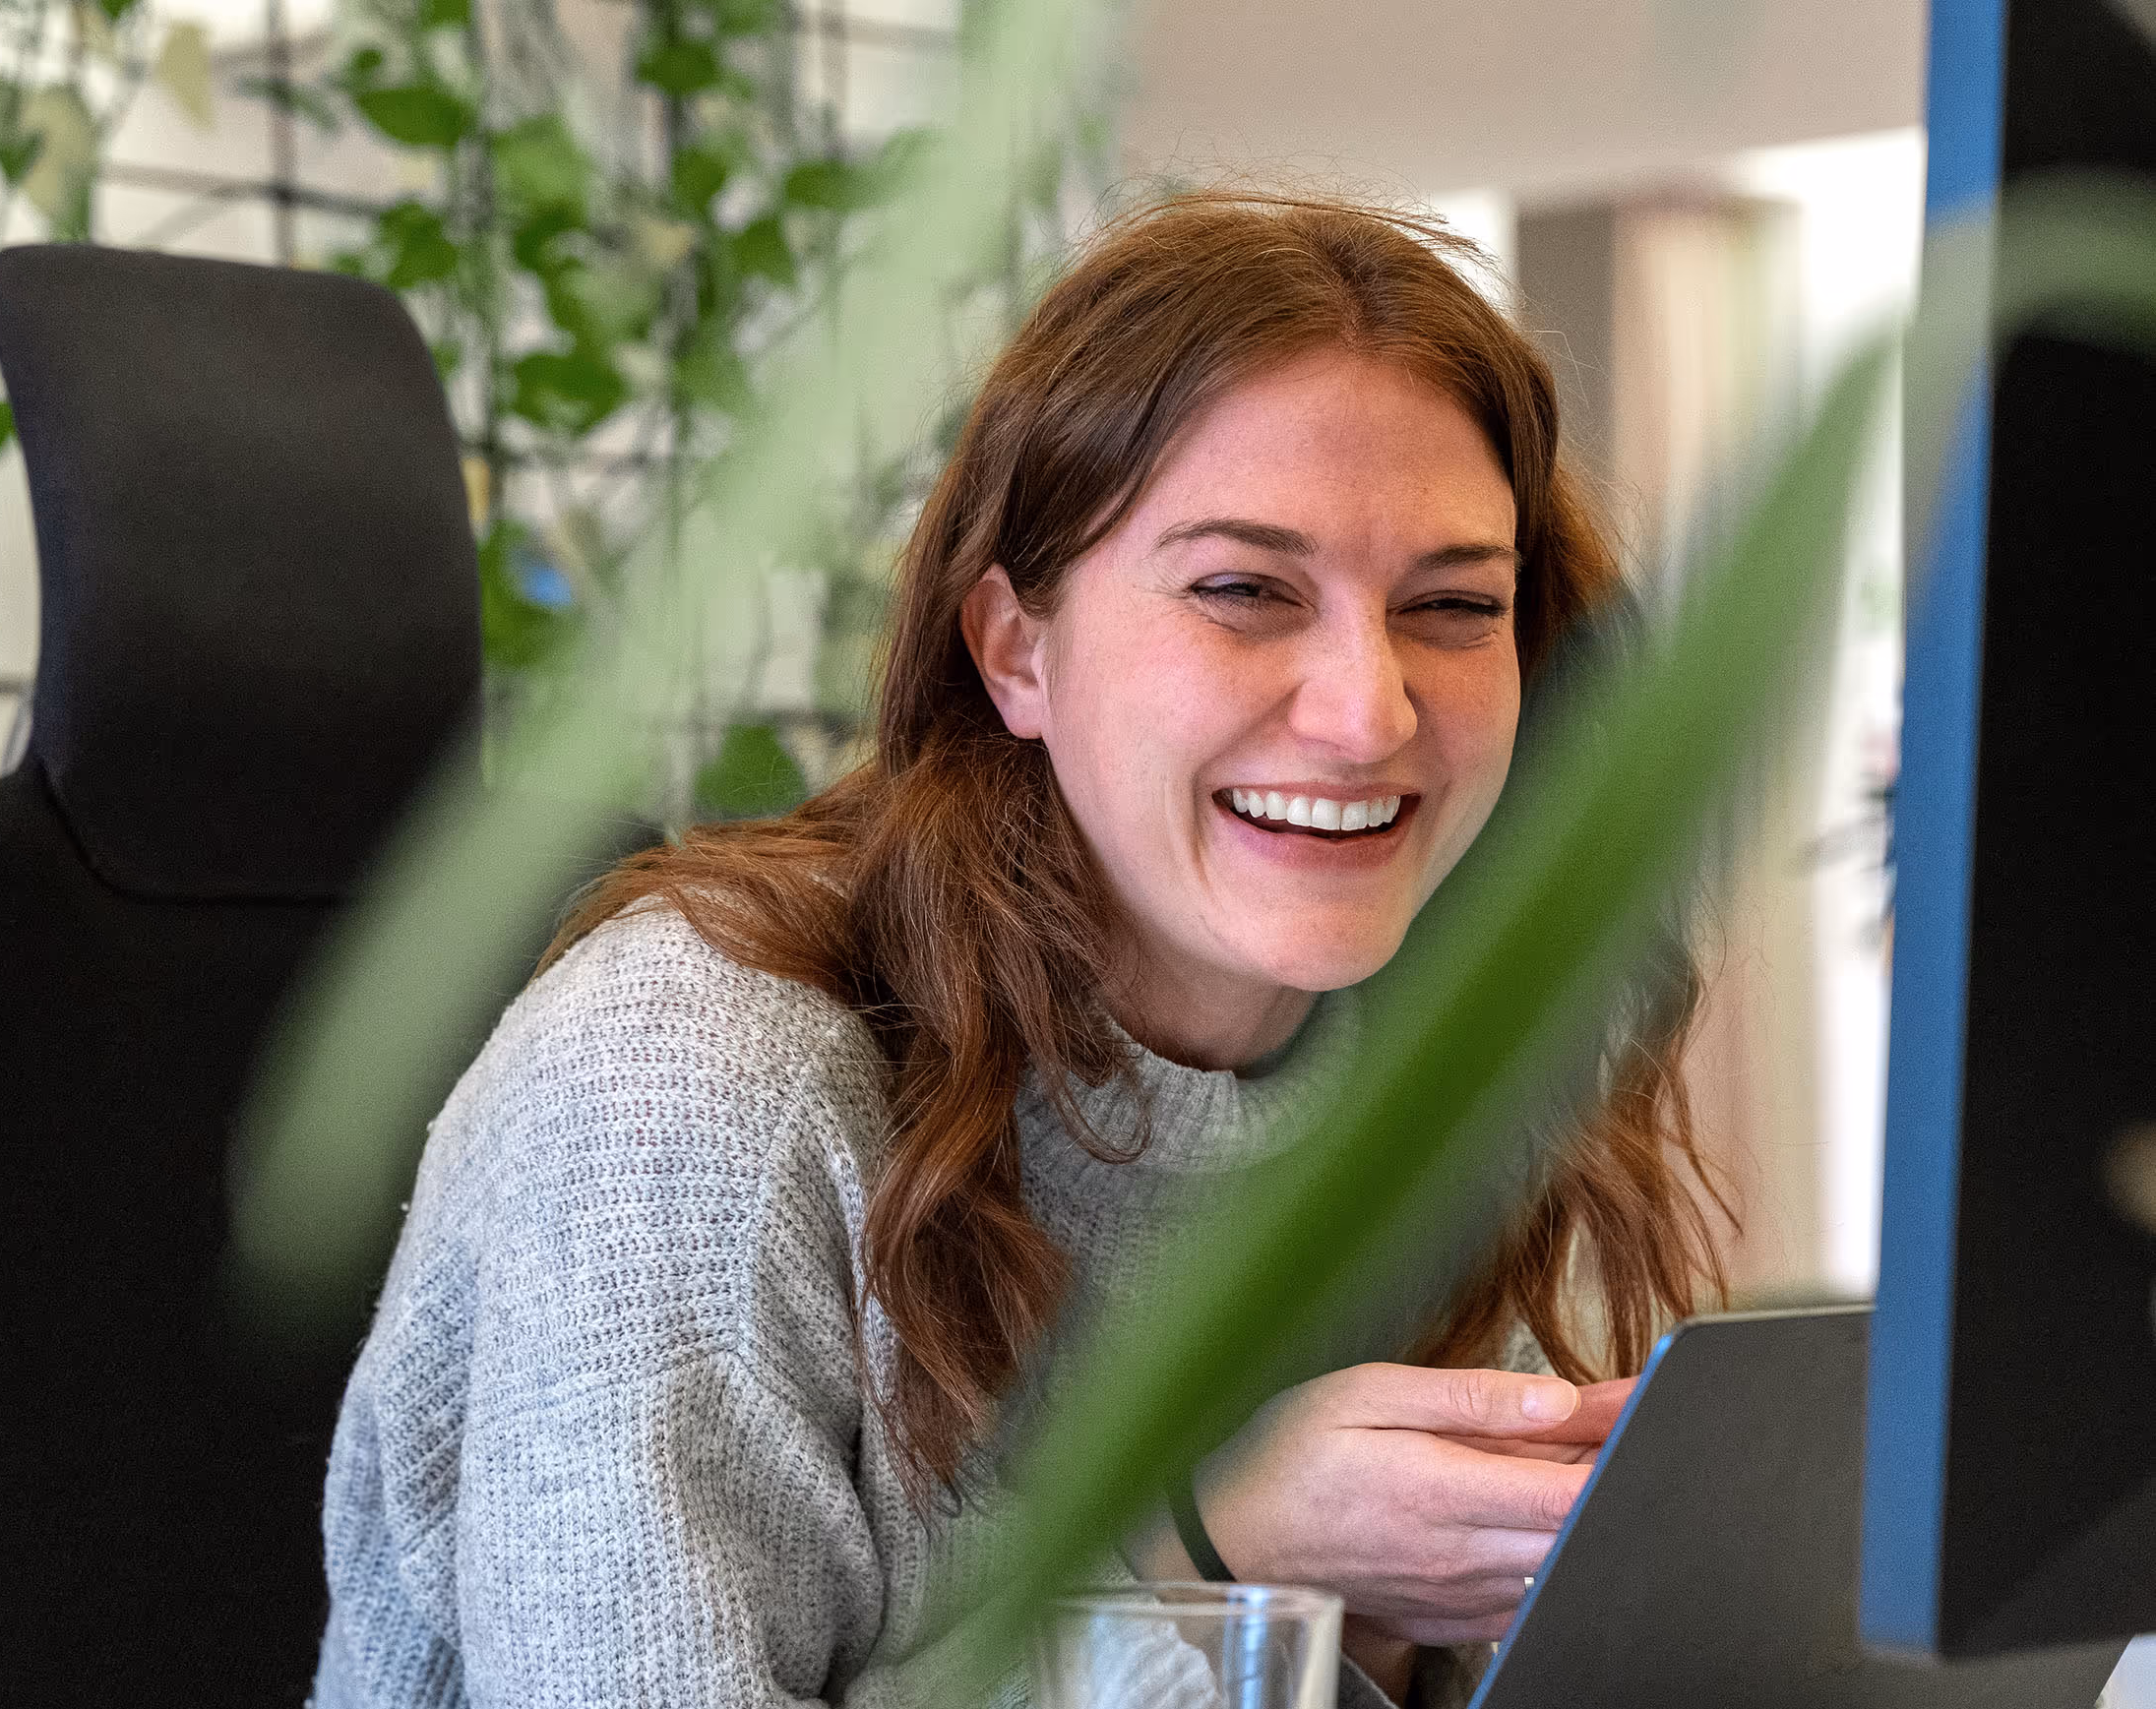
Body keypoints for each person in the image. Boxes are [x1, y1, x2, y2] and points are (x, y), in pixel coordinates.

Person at [315, 190, 1727, 1709]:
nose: (1368, 711)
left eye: (1453, 607)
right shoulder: (696, 1080)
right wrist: (1206, 1563)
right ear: (1016, 650)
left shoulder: (1422, 1066)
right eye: (1245, 591)